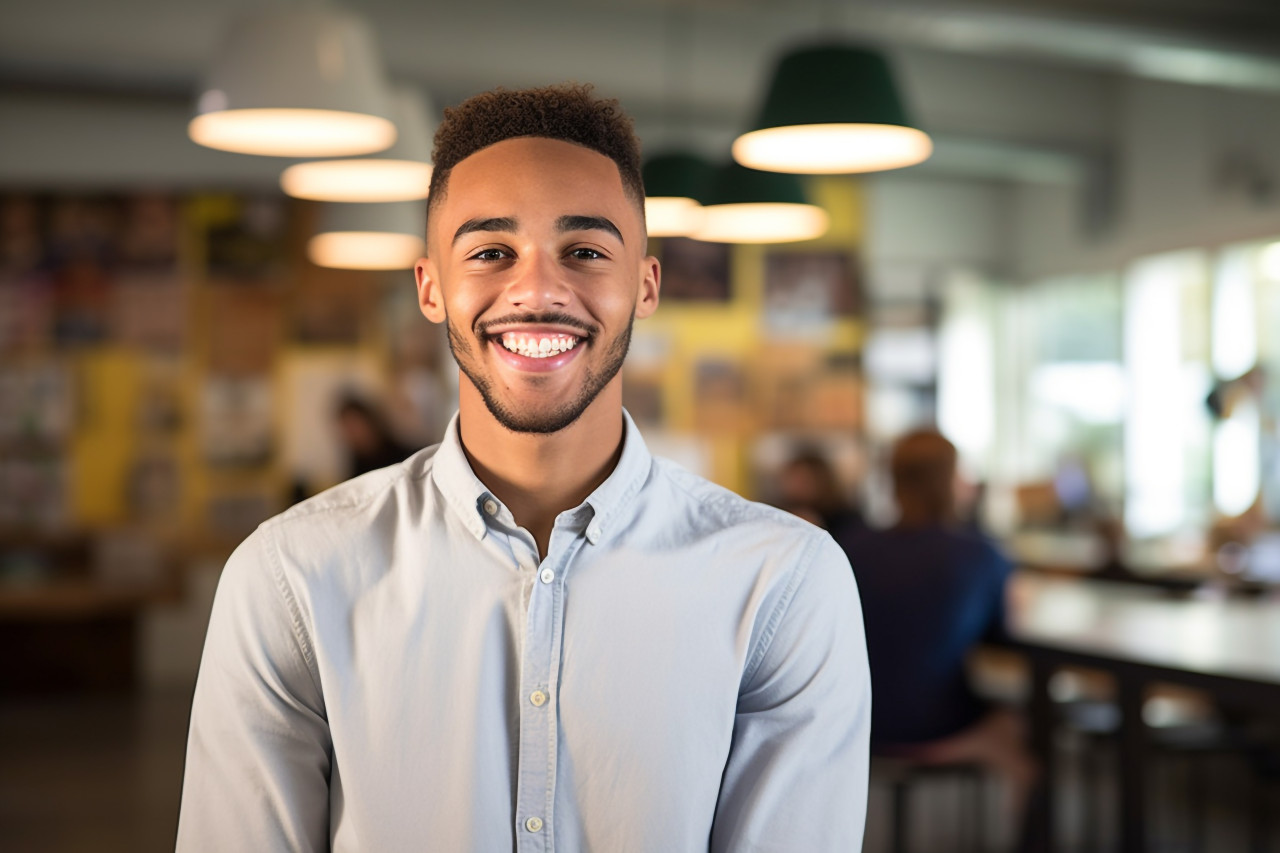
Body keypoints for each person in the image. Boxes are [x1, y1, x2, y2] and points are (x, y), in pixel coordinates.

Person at [177, 84, 870, 852]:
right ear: (432, 288)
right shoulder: (290, 577)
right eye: (491, 252)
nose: (537, 290)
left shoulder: (785, 583)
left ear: (644, 285)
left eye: (584, 251)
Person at [834, 429, 1036, 825]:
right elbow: (1003, 634)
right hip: (936, 722)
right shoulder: (979, 554)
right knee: (1026, 737)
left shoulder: (849, 546)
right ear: (952, 481)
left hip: (852, 722)